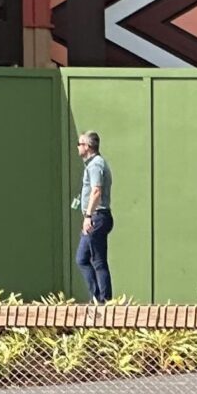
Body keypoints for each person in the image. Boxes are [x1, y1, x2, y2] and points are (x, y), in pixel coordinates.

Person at [73, 130, 113, 304]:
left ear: (88, 147)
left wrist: (88, 216)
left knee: (97, 261)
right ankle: (99, 297)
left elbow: (96, 191)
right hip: (97, 217)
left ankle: (102, 300)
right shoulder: (93, 164)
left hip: (97, 217)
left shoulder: (95, 165)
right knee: (83, 258)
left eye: (80, 144)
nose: (77, 147)